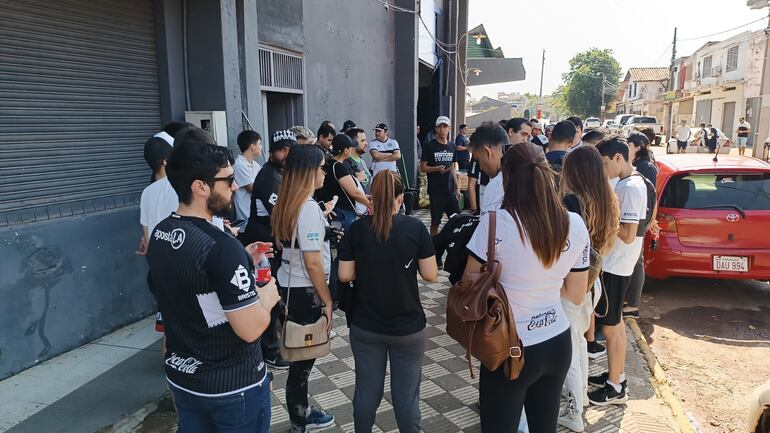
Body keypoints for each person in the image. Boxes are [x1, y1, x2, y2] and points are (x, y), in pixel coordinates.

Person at [147, 127, 280, 433]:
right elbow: (250, 329)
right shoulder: (220, 246)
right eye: (228, 180)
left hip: (184, 379)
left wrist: (243, 258)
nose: (235, 187)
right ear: (200, 187)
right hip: (233, 387)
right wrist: (268, 296)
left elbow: (191, 283)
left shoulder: (161, 234)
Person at [465, 142, 590, 432]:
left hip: (509, 346)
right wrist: (542, 286)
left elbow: (469, 282)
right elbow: (576, 291)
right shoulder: (575, 224)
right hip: (557, 342)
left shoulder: (496, 223)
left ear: (507, 177)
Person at [338, 171, 438, 433]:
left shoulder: (357, 229)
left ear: (373, 197)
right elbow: (430, 275)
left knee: (367, 391)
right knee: (406, 397)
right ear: (400, 198)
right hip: (408, 326)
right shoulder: (415, 228)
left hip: (365, 325)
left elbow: (344, 275)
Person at [271, 145, 336, 433]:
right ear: (309, 171)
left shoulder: (286, 202)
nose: (324, 172)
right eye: (321, 167)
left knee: (298, 360)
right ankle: (301, 418)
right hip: (305, 291)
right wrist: (327, 300)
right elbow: (312, 263)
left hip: (287, 285)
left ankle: (300, 415)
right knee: (302, 362)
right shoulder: (307, 207)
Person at [558, 146, 620, 432]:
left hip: (573, 284)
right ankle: (580, 398)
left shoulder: (573, 202)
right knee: (580, 342)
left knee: (570, 348)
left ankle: (573, 414)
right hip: (593, 283)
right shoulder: (607, 199)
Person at [589, 137, 647, 406]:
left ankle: (615, 388)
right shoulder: (630, 183)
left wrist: (601, 219)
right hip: (618, 265)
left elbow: (627, 233)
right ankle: (617, 376)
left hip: (616, 266)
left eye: (603, 163)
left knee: (610, 328)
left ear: (618, 158)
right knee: (617, 325)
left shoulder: (630, 188)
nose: (603, 170)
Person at [242, 129, 296, 370]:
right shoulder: (270, 176)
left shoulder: (280, 173)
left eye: (289, 150)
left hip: (272, 245)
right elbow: (282, 216)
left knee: (275, 296)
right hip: (263, 248)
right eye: (280, 149)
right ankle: (269, 351)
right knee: (268, 296)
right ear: (273, 151)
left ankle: (273, 342)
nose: (285, 154)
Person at [623, 132, 658, 320]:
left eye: (628, 143)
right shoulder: (639, 165)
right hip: (635, 219)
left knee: (637, 261)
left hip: (638, 220)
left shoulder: (646, 167)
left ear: (637, 147)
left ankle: (632, 305)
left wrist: (650, 221)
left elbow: (651, 196)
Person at [317, 134, 372, 229]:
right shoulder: (338, 166)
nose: (352, 150)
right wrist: (370, 205)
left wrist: (367, 197)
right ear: (345, 150)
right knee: (345, 241)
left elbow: (340, 189)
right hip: (342, 213)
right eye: (350, 147)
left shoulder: (328, 163)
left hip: (333, 211)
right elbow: (354, 192)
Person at [137, 140, 178, 256]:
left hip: (158, 262)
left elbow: (148, 236)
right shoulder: (180, 186)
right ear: (165, 161)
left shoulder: (147, 192)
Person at [420, 116, 460, 235]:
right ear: (436, 129)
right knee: (435, 222)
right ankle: (433, 246)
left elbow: (453, 167)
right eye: (440, 127)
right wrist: (436, 169)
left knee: (457, 219)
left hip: (450, 190)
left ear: (449, 128)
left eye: (445, 126)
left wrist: (457, 187)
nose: (442, 129)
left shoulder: (452, 146)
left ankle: (454, 243)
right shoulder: (429, 146)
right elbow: (422, 167)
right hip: (436, 191)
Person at [468, 121, 506, 213]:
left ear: (488, 152)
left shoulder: (496, 184)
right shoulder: (519, 174)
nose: (480, 167)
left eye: (479, 160)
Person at [232, 130, 263, 230]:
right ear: (252, 146)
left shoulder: (256, 165)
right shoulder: (239, 165)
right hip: (246, 216)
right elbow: (252, 189)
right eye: (260, 144)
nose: (261, 147)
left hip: (256, 214)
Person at [346, 128, 372, 193]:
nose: (366, 143)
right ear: (353, 143)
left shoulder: (362, 161)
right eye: (363, 141)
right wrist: (356, 180)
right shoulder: (345, 163)